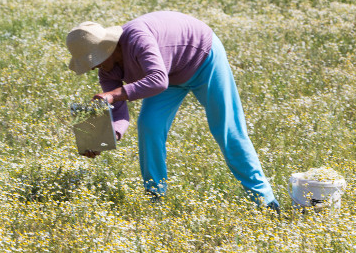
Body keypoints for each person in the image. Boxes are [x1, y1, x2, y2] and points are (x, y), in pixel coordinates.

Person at [65, 11, 279, 211]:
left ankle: (265, 201)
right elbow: (120, 113)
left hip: (203, 59)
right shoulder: (108, 70)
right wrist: (104, 139)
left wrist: (114, 94)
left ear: (108, 48)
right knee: (149, 126)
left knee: (227, 129)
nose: (93, 68)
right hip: (168, 76)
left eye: (94, 61)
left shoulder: (137, 37)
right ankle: (155, 195)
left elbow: (157, 81)